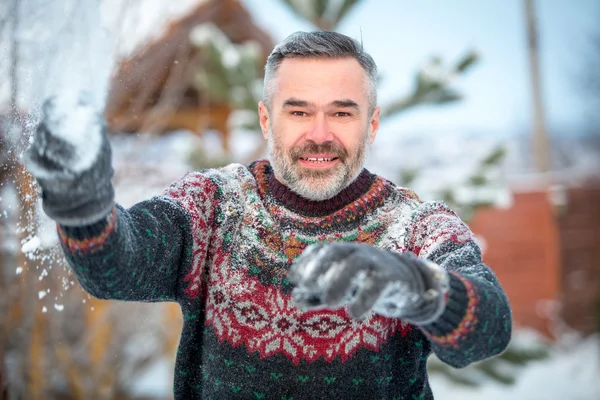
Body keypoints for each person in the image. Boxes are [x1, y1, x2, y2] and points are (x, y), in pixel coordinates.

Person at [24, 31, 512, 400]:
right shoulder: (213, 205)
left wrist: (422, 289)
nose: (319, 134)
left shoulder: (416, 226)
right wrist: (82, 204)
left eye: (342, 113)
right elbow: (119, 265)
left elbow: (489, 326)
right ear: (266, 119)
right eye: (298, 111)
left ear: (372, 122)